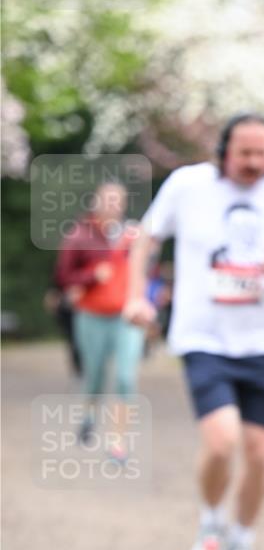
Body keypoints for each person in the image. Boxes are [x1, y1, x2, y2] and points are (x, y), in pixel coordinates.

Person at [124, 113, 264, 550]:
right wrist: (135, 296)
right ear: (223, 152)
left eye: (263, 154)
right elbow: (146, 239)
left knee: (259, 451)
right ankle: (211, 524)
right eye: (244, 153)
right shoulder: (187, 185)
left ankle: (243, 542)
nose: (254, 162)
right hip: (205, 338)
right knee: (221, 440)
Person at [56, 181, 144, 458]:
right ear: (96, 202)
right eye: (108, 199)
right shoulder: (79, 235)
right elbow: (63, 276)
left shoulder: (134, 234)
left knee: (125, 378)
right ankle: (89, 415)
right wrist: (92, 276)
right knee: (94, 376)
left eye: (118, 200)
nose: (113, 205)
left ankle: (118, 442)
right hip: (92, 316)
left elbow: (146, 271)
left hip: (126, 317)